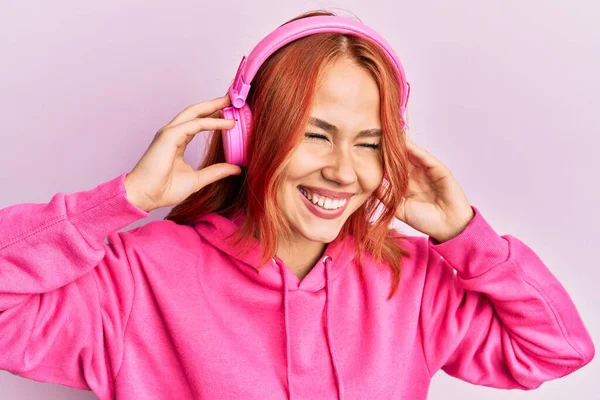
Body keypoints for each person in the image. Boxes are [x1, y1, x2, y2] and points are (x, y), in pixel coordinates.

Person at [0, 9, 594, 400]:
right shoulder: (135, 279)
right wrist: (124, 200)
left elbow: (556, 351)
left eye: (369, 143)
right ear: (247, 135)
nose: (342, 169)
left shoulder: (411, 280)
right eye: (315, 134)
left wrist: (467, 236)